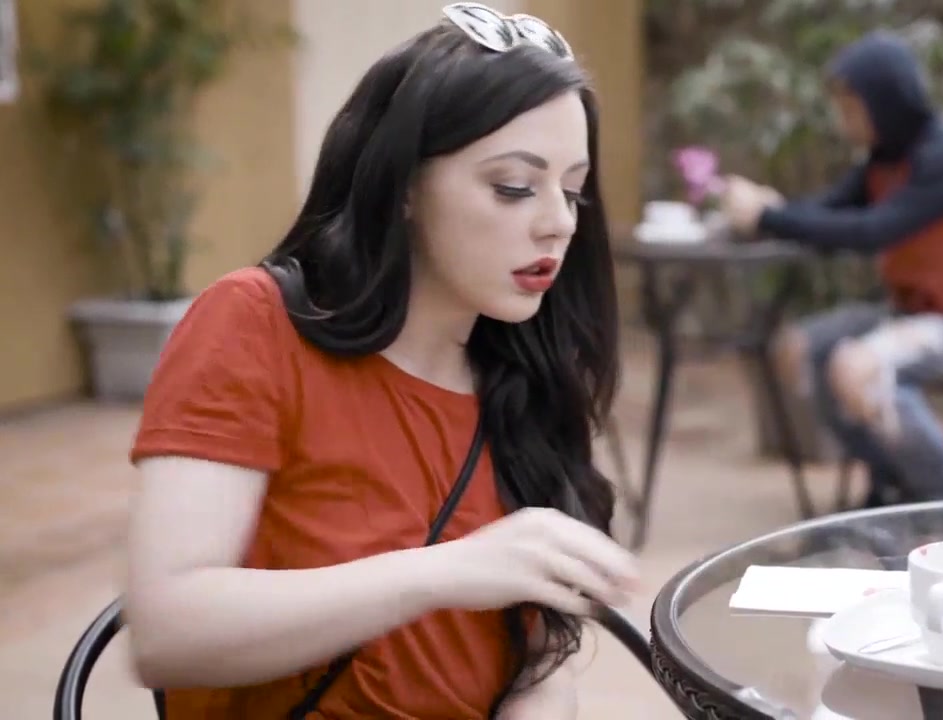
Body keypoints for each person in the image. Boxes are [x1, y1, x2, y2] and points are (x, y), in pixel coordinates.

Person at [123, 5, 639, 719]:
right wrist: (445, 572)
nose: (559, 222)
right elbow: (166, 633)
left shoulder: (527, 373)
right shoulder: (256, 324)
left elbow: (539, 667)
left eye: (573, 190)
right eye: (514, 187)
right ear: (402, 187)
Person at [719, 30, 943, 504]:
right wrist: (772, 209)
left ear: (885, 102)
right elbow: (831, 210)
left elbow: (873, 231)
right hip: (911, 312)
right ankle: (895, 477)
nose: (845, 122)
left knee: (858, 367)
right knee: (799, 349)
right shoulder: (886, 157)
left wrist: (768, 217)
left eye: (852, 109)